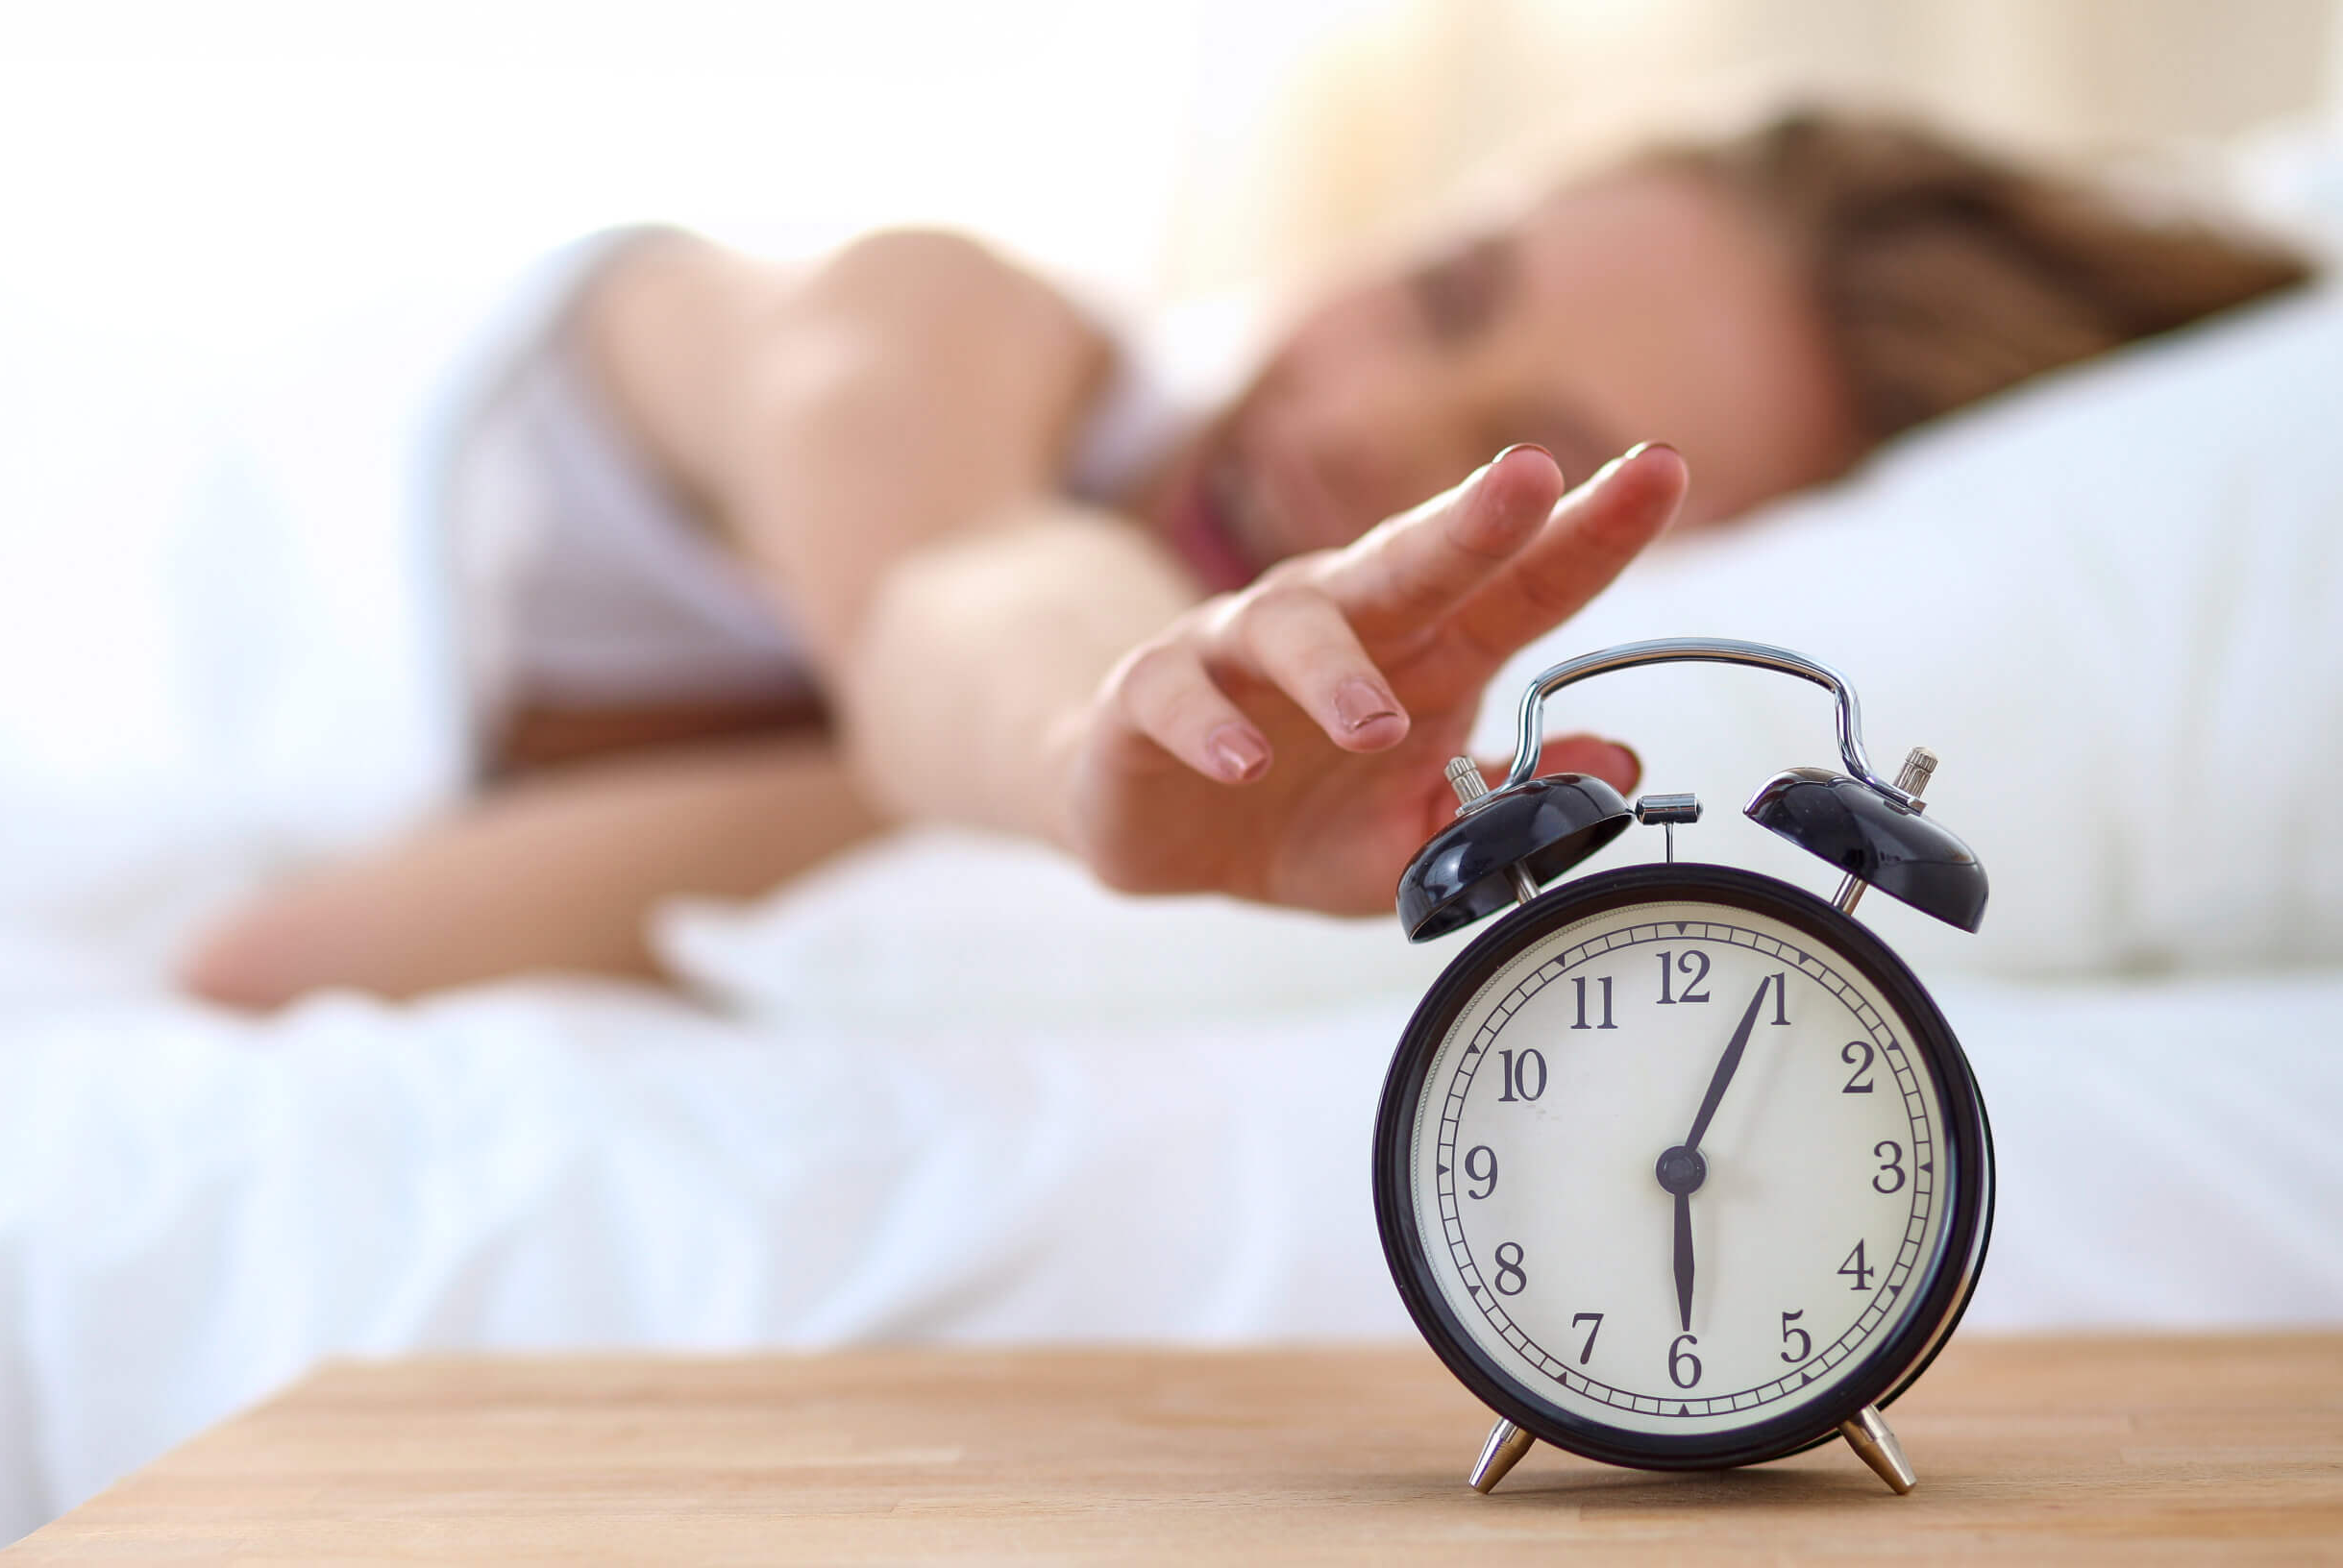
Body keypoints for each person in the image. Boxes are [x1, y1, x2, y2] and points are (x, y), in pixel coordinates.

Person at [183, 110, 2308, 1008]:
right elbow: (964, 596)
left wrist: (1162, 745)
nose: (1379, 421)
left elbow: (291, 960)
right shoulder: (928, 327)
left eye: (1530, 469)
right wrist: (1091, 728)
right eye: (1447, 289)